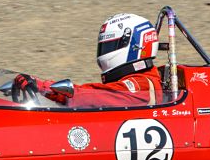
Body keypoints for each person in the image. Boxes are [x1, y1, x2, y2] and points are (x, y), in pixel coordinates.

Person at [11, 13, 163, 108]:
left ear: (134, 45)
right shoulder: (138, 81)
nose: (105, 52)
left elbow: (91, 96)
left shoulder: (141, 85)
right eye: (104, 46)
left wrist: (43, 87)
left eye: (110, 45)